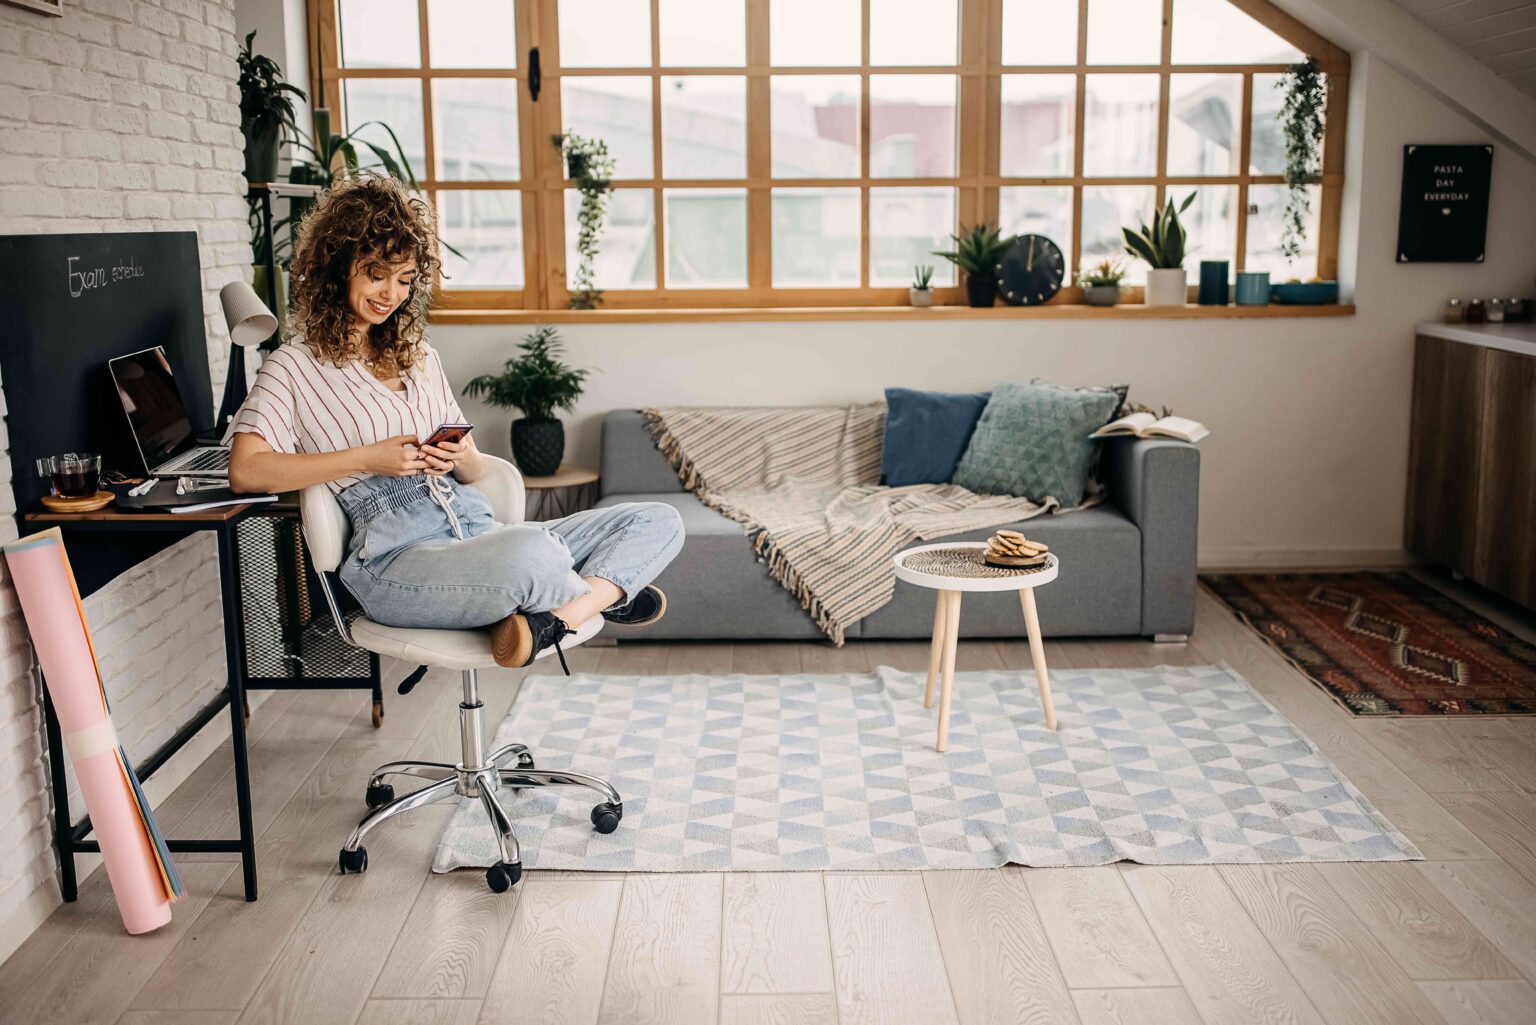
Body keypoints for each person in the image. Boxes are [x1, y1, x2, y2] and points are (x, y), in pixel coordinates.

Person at [225, 175, 683, 669]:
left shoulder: (419, 356)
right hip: (397, 558)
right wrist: (367, 458)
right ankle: (603, 595)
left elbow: (471, 470)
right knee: (533, 552)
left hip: (476, 529)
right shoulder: (294, 364)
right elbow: (246, 470)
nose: (390, 294)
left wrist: (461, 455)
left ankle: (556, 618)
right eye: (377, 273)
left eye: (404, 280)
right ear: (338, 266)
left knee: (659, 520)